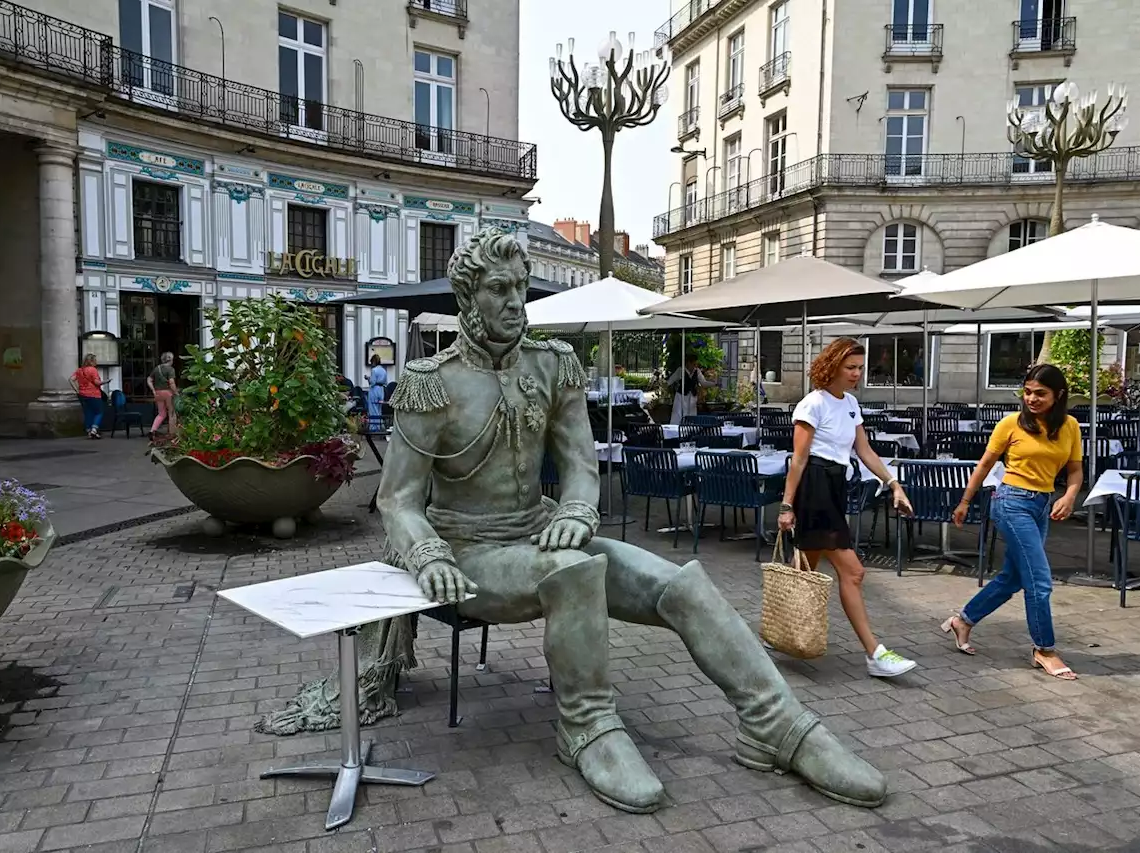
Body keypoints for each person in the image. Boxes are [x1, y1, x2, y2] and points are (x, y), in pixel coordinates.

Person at [376, 228, 886, 814]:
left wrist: (574, 507)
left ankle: (776, 725)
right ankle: (586, 725)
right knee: (571, 572)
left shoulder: (554, 364)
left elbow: (578, 463)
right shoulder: (430, 381)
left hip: (542, 531)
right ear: (467, 297)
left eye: (519, 287)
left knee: (682, 584)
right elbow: (398, 500)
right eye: (498, 289)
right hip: (469, 550)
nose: (515, 302)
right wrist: (428, 555)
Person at [779, 338, 918, 678]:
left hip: (835, 486)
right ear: (833, 366)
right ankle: (875, 654)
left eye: (859, 367)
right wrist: (786, 505)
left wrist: (893, 484)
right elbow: (798, 459)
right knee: (853, 572)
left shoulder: (851, 403)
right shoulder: (812, 404)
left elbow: (865, 450)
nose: (857, 373)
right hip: (814, 488)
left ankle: (780, 630)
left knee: (804, 571)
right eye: (850, 367)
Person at [944, 363, 1083, 680]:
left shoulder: (1070, 426)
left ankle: (963, 621)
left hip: (1041, 504)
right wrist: (965, 501)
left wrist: (1069, 496)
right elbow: (984, 466)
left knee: (1014, 578)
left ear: (1058, 395)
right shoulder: (1010, 424)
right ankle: (1044, 649)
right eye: (1028, 392)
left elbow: (1075, 471)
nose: (1032, 399)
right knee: (1040, 581)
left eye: (1041, 394)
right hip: (1011, 502)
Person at [667, 352, 714, 424]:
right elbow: (670, 381)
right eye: (694, 364)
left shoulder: (697, 371)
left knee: (691, 417)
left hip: (692, 397)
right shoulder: (681, 370)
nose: (695, 366)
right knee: (678, 416)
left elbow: (703, 383)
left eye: (696, 365)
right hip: (681, 397)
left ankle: (690, 431)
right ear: (688, 363)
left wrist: (714, 383)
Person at [70, 353, 107, 440]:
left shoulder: (80, 370)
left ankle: (89, 431)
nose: (96, 362)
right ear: (91, 361)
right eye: (95, 360)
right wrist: (106, 381)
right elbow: (97, 383)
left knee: (88, 413)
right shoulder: (92, 370)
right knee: (99, 412)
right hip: (93, 394)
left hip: (82, 395)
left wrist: (77, 390)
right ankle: (94, 429)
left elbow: (71, 380)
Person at [147, 352, 178, 436]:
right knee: (171, 413)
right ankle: (172, 434)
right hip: (168, 393)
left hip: (158, 393)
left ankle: (152, 431)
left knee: (161, 414)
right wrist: (176, 392)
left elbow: (149, 379)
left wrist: (153, 390)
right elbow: (171, 383)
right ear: (171, 360)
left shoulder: (157, 368)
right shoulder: (170, 369)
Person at [366, 354, 388, 431]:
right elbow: (385, 382)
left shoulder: (374, 370)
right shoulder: (384, 370)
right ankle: (379, 426)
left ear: (374, 362)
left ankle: (374, 428)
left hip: (374, 390)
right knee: (379, 409)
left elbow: (372, 382)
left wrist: (368, 378)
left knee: (373, 409)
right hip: (381, 390)